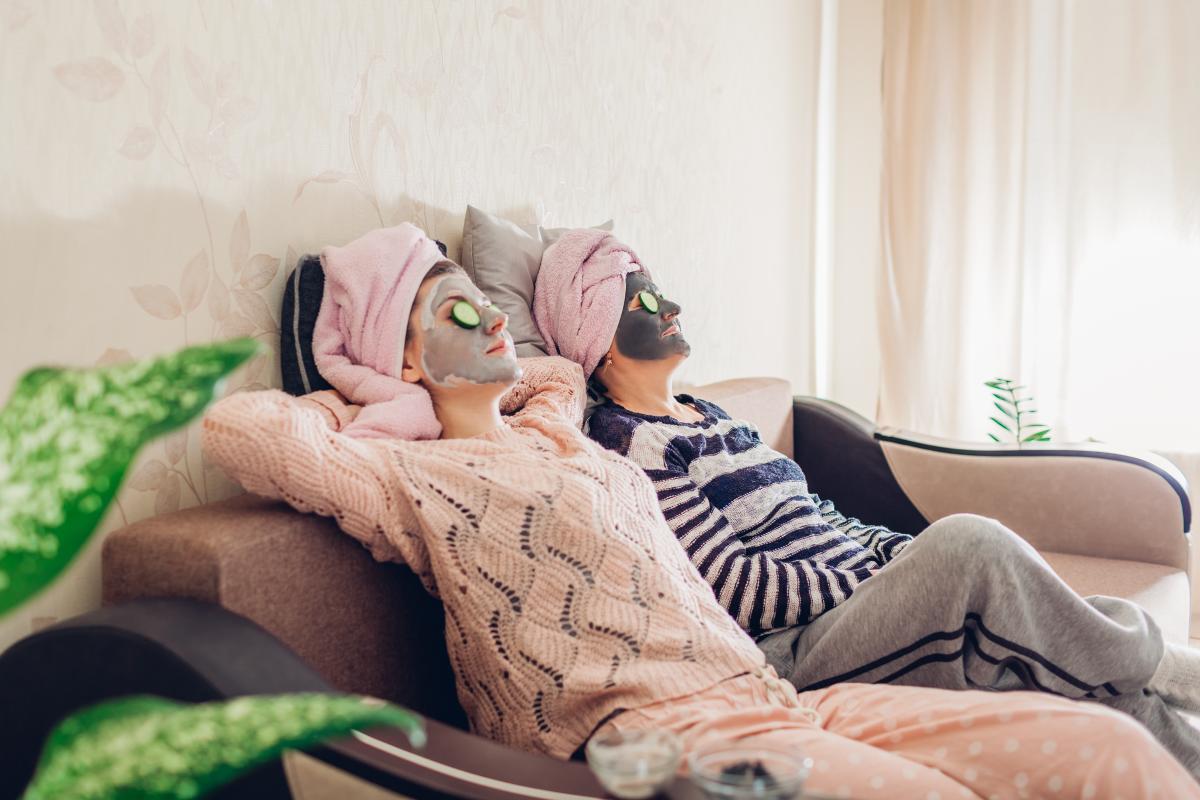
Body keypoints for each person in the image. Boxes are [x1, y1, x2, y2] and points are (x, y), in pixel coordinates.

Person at [203, 223, 1198, 798]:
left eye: (487, 297)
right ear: (407, 359)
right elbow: (242, 431)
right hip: (649, 734)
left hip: (770, 691)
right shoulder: (409, 479)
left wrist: (481, 362)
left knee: (1111, 749)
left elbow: (557, 370)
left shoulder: (564, 433)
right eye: (457, 309)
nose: (494, 315)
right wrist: (372, 390)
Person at [532, 226, 1200, 781]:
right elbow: (734, 590)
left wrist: (896, 556)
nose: (671, 305)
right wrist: (873, 581)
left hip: (854, 607)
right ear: (603, 337)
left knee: (1065, 671)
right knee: (969, 543)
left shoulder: (710, 415)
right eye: (646, 302)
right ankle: (1160, 658)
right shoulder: (627, 443)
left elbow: (819, 516)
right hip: (794, 649)